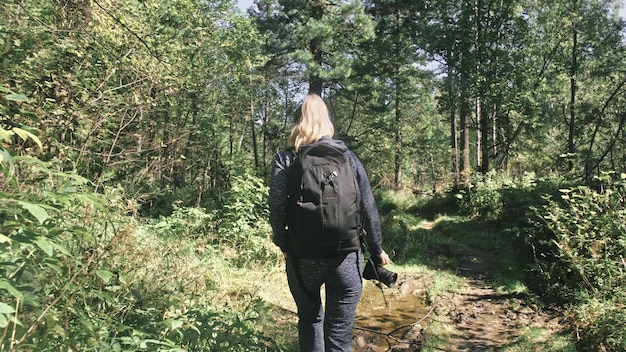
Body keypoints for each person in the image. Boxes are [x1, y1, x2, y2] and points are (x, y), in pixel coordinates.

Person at [268, 93, 391, 352]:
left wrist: (283, 241)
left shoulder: (286, 160)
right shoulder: (348, 158)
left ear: (299, 121)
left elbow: (277, 205)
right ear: (327, 122)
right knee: (339, 333)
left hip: (302, 257)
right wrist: (377, 249)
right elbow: (368, 205)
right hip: (345, 256)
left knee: (310, 319)